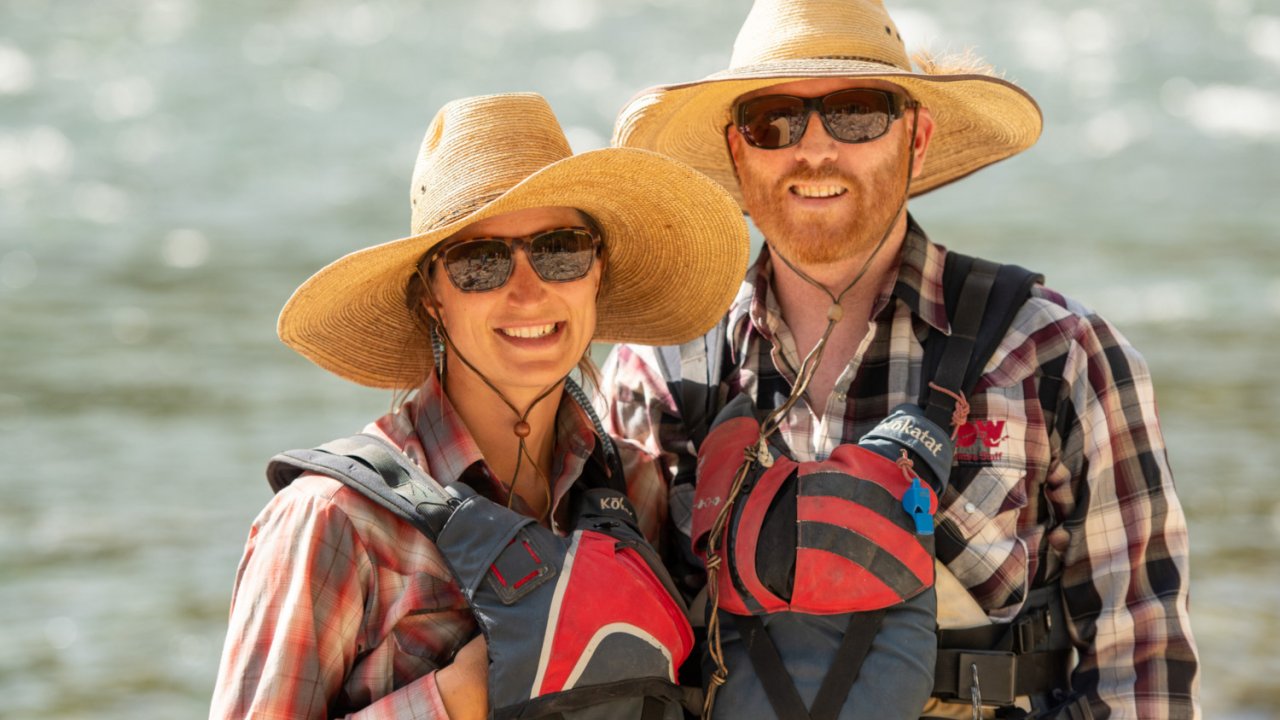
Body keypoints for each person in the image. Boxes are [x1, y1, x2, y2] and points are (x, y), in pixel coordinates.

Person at [601, 0, 1200, 718]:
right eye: (774, 121)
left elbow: (1141, 675)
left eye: (856, 114)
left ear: (916, 139)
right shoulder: (659, 376)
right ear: (738, 151)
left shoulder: (1061, 356)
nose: (814, 151)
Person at [209, 92, 749, 719]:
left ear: (596, 270)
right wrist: (451, 701)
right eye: (480, 263)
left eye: (560, 250)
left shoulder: (637, 489)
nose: (528, 290)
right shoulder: (332, 523)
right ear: (432, 296)